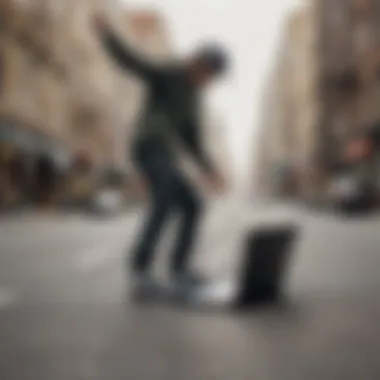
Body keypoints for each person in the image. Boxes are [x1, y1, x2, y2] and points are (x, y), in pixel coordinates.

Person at [93, 13, 228, 297]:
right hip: (147, 145)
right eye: (207, 74)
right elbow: (135, 63)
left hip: (164, 153)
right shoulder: (171, 71)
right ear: (197, 63)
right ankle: (140, 269)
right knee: (164, 198)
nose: (207, 81)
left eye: (212, 79)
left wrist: (210, 169)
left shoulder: (194, 95)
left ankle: (180, 269)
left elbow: (192, 139)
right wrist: (108, 36)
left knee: (193, 204)